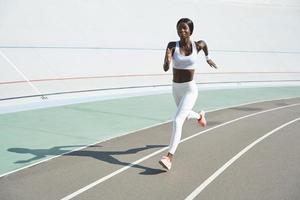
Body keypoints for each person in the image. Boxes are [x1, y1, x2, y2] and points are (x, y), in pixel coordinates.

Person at [159, 18, 218, 171]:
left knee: (178, 120)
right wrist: (167, 60)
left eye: (185, 28)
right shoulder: (172, 45)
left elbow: (204, 45)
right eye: (179, 28)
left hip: (190, 89)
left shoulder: (197, 45)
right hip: (176, 88)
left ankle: (169, 157)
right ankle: (200, 116)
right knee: (183, 115)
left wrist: (208, 58)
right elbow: (166, 68)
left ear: (190, 30)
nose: (182, 31)